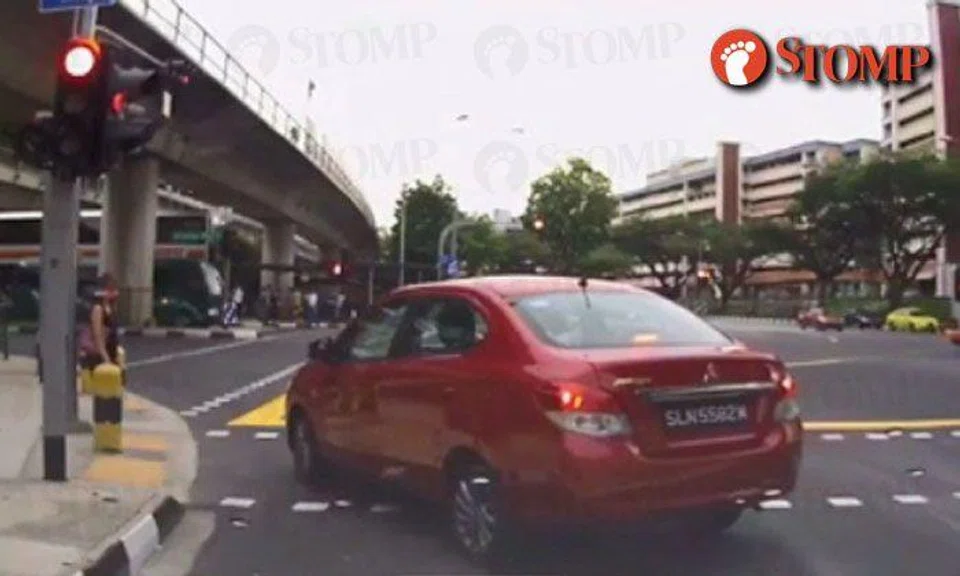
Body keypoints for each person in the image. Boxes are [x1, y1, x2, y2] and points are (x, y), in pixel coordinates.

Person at [79, 274, 120, 369]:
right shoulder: (98, 309)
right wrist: (106, 358)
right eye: (111, 290)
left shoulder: (109, 309)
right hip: (98, 357)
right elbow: (98, 336)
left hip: (110, 352)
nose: (116, 293)